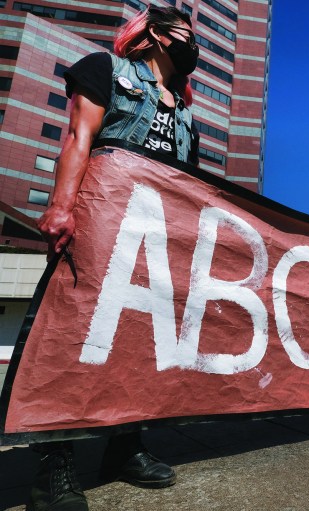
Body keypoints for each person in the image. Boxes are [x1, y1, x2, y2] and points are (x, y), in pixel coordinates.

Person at [32, 6, 200, 510]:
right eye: (186, 36)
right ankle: (53, 466)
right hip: (104, 222)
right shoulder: (108, 69)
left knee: (139, 344)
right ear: (152, 35)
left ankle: (124, 448)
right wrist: (62, 208)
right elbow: (78, 138)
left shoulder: (188, 112)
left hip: (159, 236)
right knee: (75, 336)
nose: (192, 47)